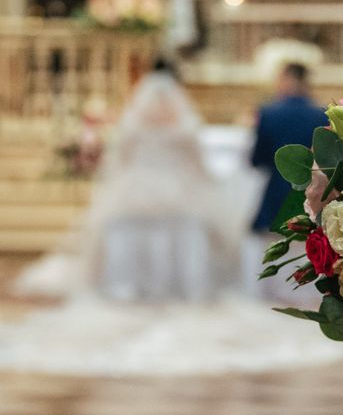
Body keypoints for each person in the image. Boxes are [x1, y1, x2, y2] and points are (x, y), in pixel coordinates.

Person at [14, 64, 229, 302]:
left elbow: (118, 161)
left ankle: (128, 283)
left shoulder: (135, 125)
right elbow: (198, 164)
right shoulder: (184, 127)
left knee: (134, 229)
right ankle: (181, 286)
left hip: (137, 188)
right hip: (176, 189)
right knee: (177, 229)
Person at [246, 63, 327, 301]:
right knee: (307, 245)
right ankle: (305, 294)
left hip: (276, 190)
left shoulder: (268, 113)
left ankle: (269, 295)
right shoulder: (320, 113)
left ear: (286, 79)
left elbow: (256, 159)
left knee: (273, 246)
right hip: (311, 189)